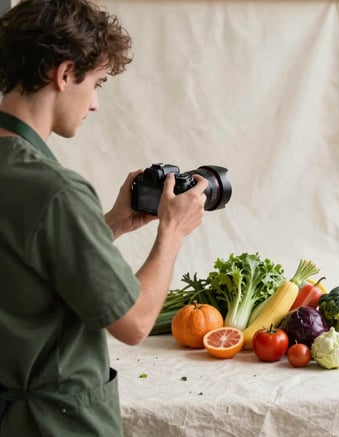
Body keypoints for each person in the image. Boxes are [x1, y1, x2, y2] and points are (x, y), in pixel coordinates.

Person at [0, 0, 208, 435]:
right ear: (63, 73)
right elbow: (133, 323)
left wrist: (110, 222)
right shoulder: (55, 190)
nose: (94, 104)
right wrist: (172, 231)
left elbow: (28, 265)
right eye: (97, 83)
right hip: (54, 424)